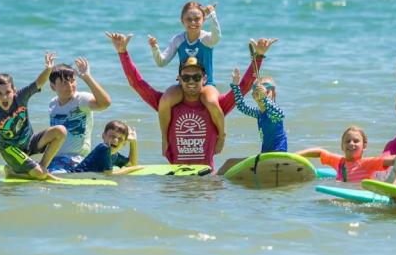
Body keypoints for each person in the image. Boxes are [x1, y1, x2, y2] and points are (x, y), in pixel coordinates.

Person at [106, 31, 276, 169]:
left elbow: (244, 86)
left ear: (204, 78)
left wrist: (259, 56)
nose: (192, 82)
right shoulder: (167, 105)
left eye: (196, 77)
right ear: (179, 79)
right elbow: (137, 84)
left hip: (206, 179)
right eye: (186, 78)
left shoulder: (215, 106)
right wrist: (122, 52)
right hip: (176, 182)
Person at [0, 52, 67, 181]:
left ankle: (42, 168)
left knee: (60, 131)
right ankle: (15, 172)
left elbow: (38, 83)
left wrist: (48, 69)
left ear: (14, 90)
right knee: (39, 175)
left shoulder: (21, 97)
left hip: (30, 142)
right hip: (10, 149)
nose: (4, 97)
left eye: (8, 92)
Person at [147, 1, 225, 157]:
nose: (193, 23)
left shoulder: (207, 39)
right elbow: (161, 61)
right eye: (189, 19)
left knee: (211, 102)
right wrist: (154, 48)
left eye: (197, 18)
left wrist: (213, 15)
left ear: (203, 20)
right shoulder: (178, 39)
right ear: (182, 21)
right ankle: (164, 137)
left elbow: (217, 38)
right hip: (183, 85)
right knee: (164, 101)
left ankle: (222, 135)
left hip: (206, 85)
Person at [48, 58, 112, 172]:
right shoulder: (53, 104)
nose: (70, 85)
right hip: (55, 159)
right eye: (64, 82)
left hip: (75, 160)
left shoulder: (81, 99)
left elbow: (105, 103)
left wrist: (87, 77)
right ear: (53, 86)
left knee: (53, 174)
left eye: (72, 81)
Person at [297, 126, 395, 183]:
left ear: (364, 146)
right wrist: (296, 155)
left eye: (356, 141)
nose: (351, 143)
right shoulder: (339, 162)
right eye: (347, 141)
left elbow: (392, 160)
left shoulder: (367, 163)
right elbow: (320, 152)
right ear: (342, 146)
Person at [230, 70, 287, 153]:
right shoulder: (258, 113)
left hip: (279, 151)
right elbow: (242, 107)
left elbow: (281, 114)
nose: (260, 96)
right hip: (266, 153)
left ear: (274, 93)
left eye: (265, 92)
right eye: (258, 93)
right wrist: (235, 86)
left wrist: (264, 98)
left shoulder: (273, 112)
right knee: (230, 162)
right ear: (253, 96)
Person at [70, 120, 141, 175]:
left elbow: (132, 164)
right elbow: (108, 174)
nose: (116, 140)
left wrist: (133, 142)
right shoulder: (103, 148)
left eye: (120, 139)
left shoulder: (115, 155)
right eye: (112, 136)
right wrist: (133, 169)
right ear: (103, 136)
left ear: (124, 143)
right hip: (75, 175)